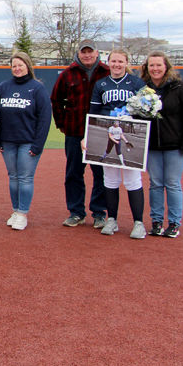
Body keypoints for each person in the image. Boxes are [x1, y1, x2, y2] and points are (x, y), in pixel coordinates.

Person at [51, 39, 110, 229]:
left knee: (100, 174)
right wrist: (62, 124)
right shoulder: (68, 74)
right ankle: (76, 212)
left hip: (100, 133)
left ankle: (99, 212)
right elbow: (56, 100)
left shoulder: (106, 72)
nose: (87, 55)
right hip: (75, 132)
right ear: (79, 53)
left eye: (90, 51)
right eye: (83, 52)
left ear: (96, 52)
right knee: (74, 173)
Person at [89, 49, 146, 238]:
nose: (117, 65)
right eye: (113, 61)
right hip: (108, 132)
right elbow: (94, 112)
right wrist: (87, 136)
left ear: (126, 62)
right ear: (108, 62)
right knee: (110, 180)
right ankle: (111, 219)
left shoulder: (136, 83)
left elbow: (144, 112)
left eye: (121, 61)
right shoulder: (101, 84)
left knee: (132, 180)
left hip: (128, 131)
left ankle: (138, 223)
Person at [0, 52, 52, 231]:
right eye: (14, 66)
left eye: (20, 65)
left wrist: (38, 144)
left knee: (25, 178)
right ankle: (15, 210)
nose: (17, 69)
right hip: (8, 141)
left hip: (28, 142)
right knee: (13, 177)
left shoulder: (37, 88)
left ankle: (22, 213)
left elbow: (45, 118)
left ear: (28, 66)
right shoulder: (4, 87)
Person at [140, 51, 183, 238]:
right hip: (152, 146)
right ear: (147, 68)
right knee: (155, 184)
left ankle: (174, 223)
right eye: (152, 65)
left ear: (166, 66)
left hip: (175, 145)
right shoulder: (144, 89)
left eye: (158, 65)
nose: (155, 68)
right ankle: (157, 221)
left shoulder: (179, 87)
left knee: (173, 183)